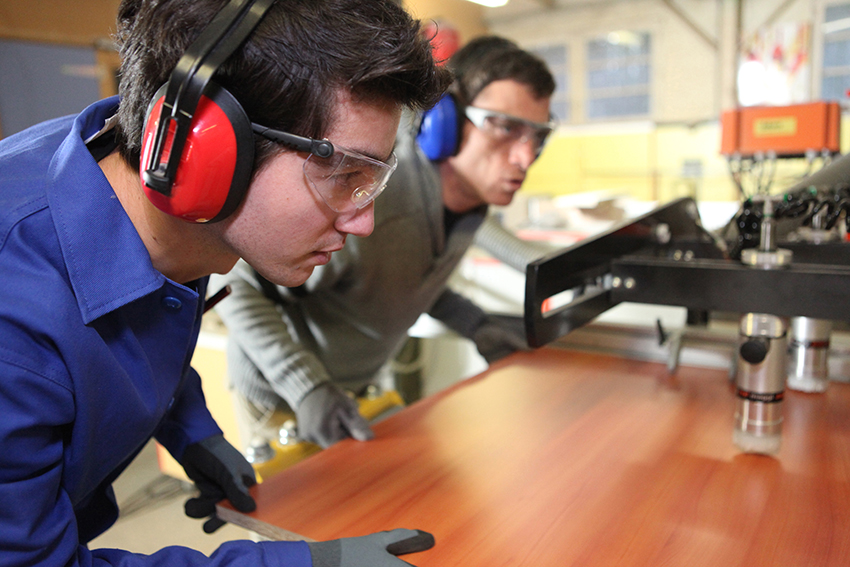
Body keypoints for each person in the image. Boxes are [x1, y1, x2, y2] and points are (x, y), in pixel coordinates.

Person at [0, 0, 451, 565]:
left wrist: (190, 429)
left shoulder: (125, 179)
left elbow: (136, 320)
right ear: (202, 150)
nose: (364, 221)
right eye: (343, 176)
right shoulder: (13, 324)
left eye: (372, 181)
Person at [213, 36, 556, 450]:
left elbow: (402, 279)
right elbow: (236, 287)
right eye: (505, 127)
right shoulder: (372, 202)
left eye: (536, 137)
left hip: (355, 384)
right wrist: (307, 388)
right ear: (443, 121)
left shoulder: (468, 211)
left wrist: (477, 325)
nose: (524, 158)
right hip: (282, 396)